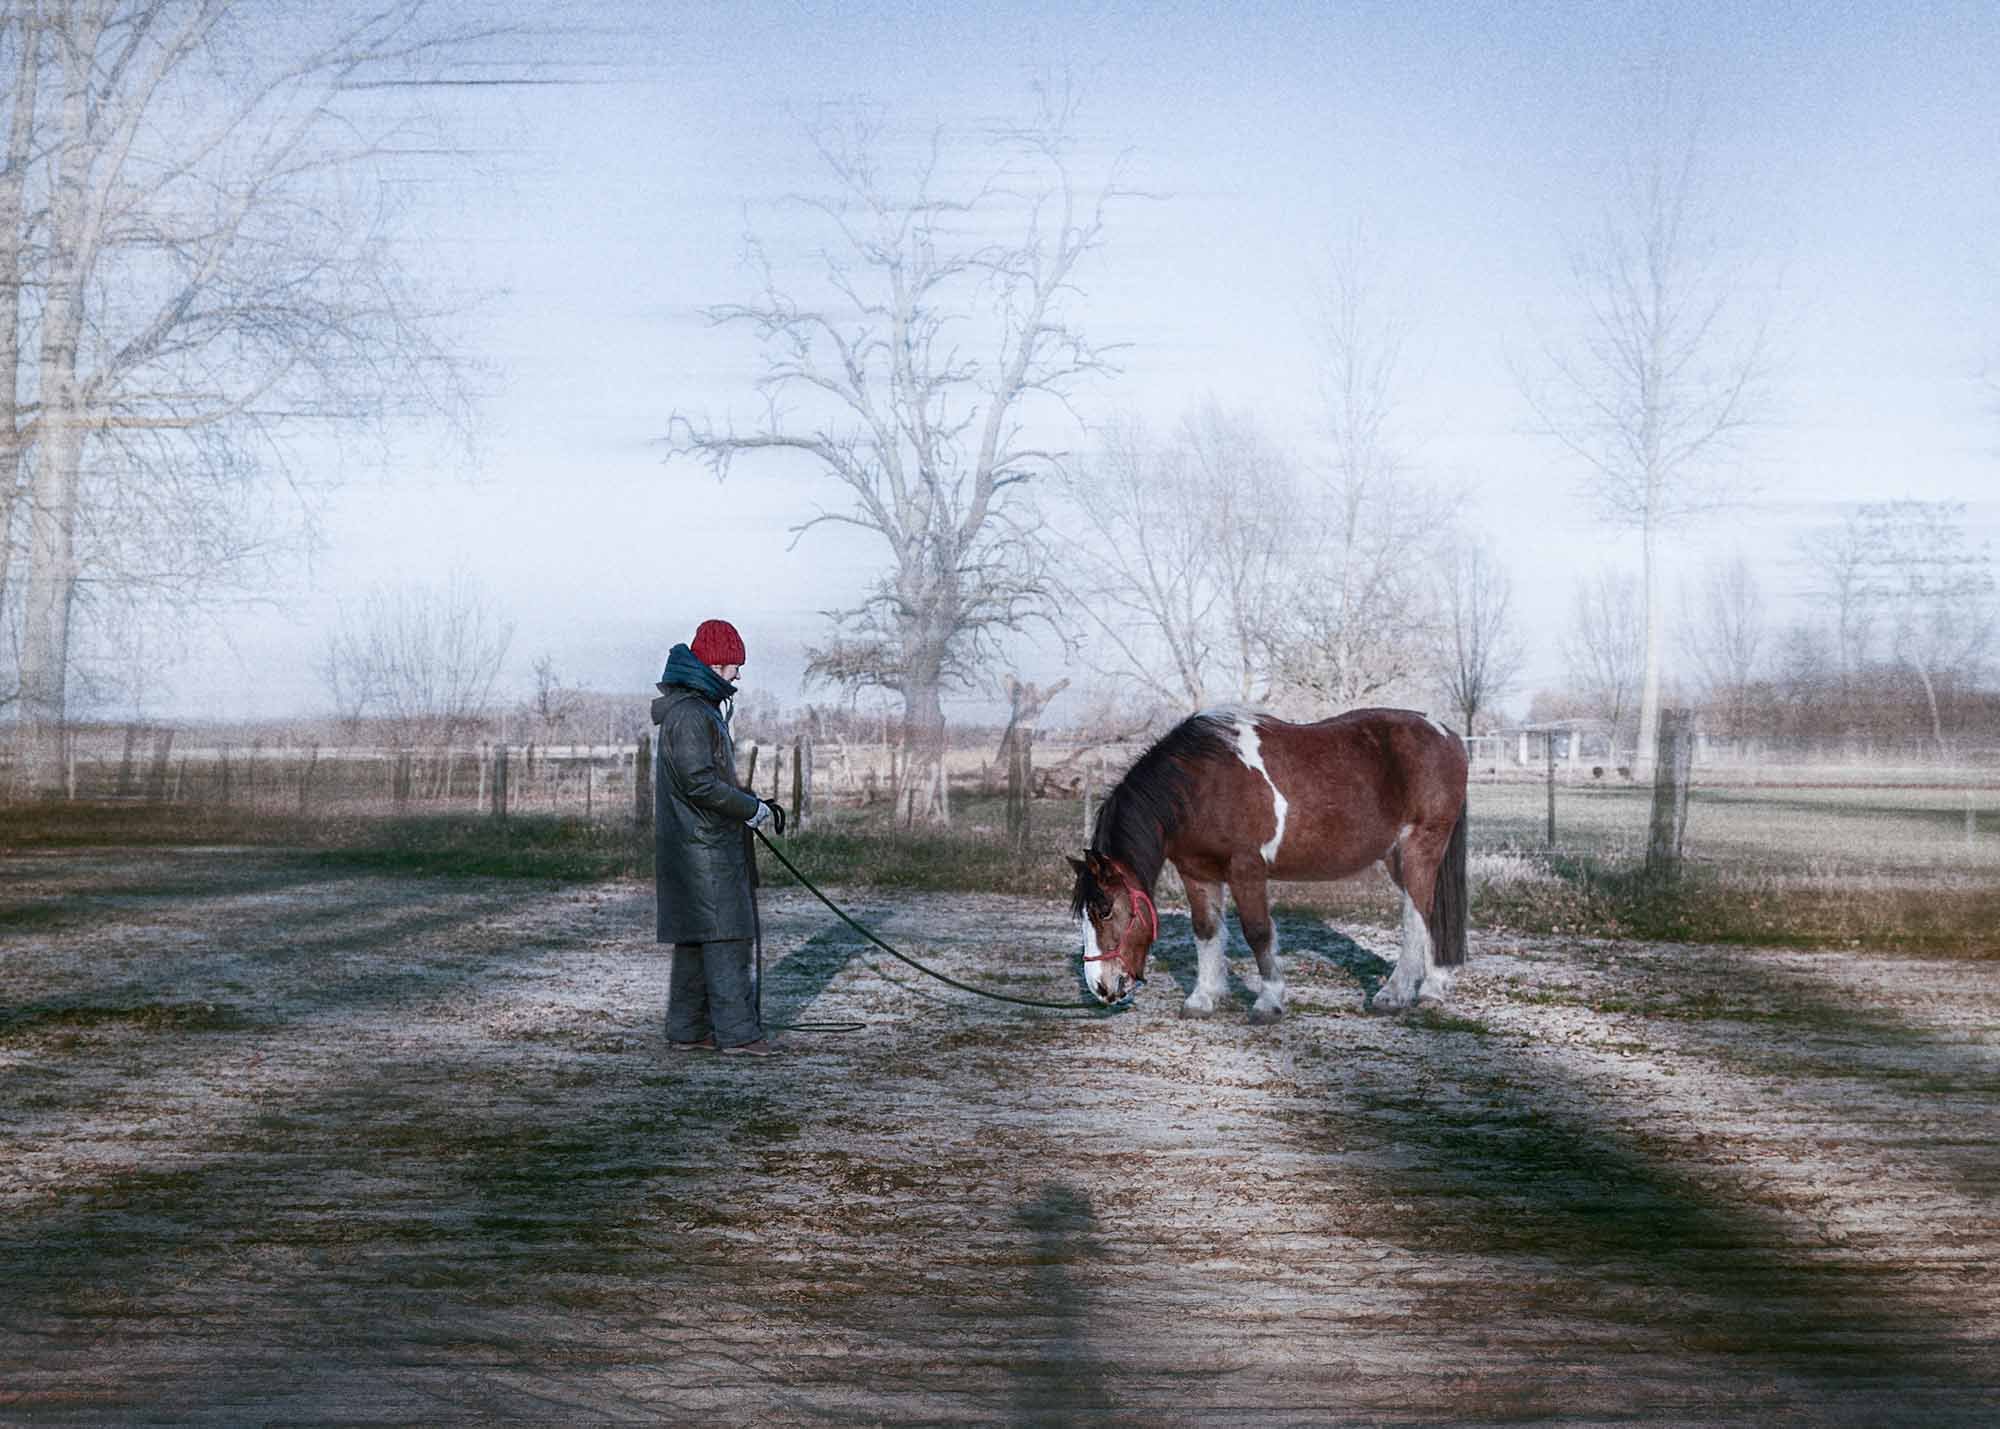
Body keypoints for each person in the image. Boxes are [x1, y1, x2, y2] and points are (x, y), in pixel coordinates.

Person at [651, 618, 787, 1057]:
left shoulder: (692, 709)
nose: (738, 673)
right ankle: (739, 1035)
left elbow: (703, 783)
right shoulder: (692, 714)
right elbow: (700, 784)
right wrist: (751, 809)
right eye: (733, 664)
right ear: (712, 662)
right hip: (705, 850)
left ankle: (688, 1031)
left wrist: (746, 800)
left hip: (693, 846)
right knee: (728, 938)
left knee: (695, 939)